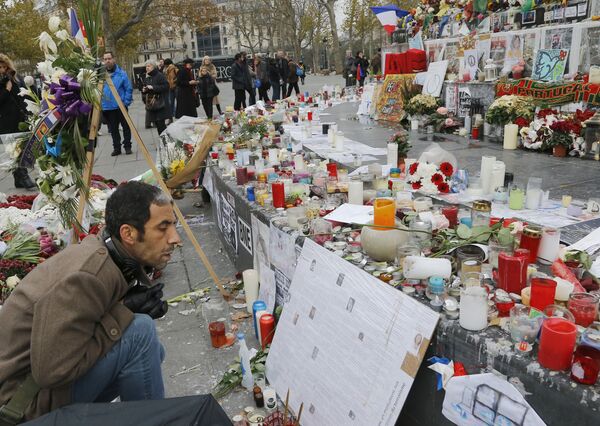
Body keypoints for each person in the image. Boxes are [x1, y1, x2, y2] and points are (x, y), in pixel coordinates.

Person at [0, 182, 180, 423]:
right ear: (128, 234)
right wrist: (122, 312)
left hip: (35, 389)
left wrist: (122, 306)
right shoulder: (87, 277)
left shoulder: (108, 258)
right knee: (140, 334)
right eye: (162, 228)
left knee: (153, 352)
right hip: (21, 407)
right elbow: (51, 373)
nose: (175, 238)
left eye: (174, 226)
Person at [0, 53, 35, 189]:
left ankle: (19, 179)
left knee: (22, 149)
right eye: (0, 67)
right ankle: (24, 177)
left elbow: (21, 96)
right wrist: (5, 90)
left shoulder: (13, 79)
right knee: (14, 151)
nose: (2, 70)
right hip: (5, 122)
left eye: (4, 66)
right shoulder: (4, 84)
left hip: (19, 119)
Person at [101, 51, 133, 156]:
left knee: (126, 127)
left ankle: (127, 146)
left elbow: (128, 88)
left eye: (109, 58)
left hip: (121, 106)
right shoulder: (100, 76)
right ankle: (117, 148)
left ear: (113, 59)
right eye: (105, 59)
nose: (107, 61)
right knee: (113, 130)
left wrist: (126, 102)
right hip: (108, 108)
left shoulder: (121, 73)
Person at [142, 61, 170, 135]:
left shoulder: (159, 75)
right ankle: (163, 142)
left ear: (153, 67)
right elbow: (146, 90)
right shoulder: (147, 77)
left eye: (149, 66)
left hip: (160, 104)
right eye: (146, 66)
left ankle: (166, 143)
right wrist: (144, 90)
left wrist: (153, 87)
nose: (147, 68)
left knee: (161, 125)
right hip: (152, 105)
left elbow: (166, 86)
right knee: (157, 125)